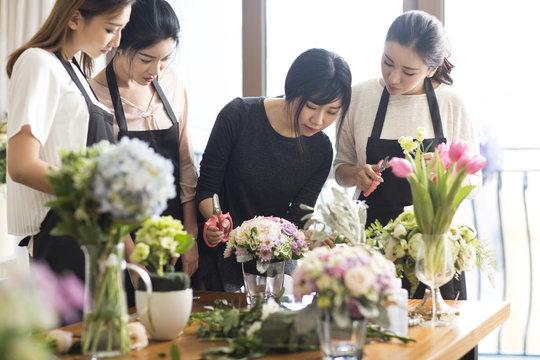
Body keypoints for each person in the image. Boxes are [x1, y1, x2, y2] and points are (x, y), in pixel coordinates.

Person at [334, 10, 481, 301]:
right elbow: (339, 169)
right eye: (387, 62)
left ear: (431, 68)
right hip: (370, 253)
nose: (394, 77)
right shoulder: (359, 97)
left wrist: (446, 171)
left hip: (434, 251)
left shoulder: (452, 105)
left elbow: (474, 182)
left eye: (409, 71)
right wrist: (356, 174)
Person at [196, 48, 352, 291]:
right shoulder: (238, 116)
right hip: (220, 253)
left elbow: (297, 218)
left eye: (332, 112)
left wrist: (305, 237)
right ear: (293, 90)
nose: (319, 120)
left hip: (274, 261)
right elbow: (206, 189)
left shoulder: (321, 150)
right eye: (311, 106)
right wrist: (216, 221)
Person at [6, 0, 134, 282]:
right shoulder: (38, 62)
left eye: (122, 30)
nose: (116, 42)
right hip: (63, 239)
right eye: (111, 29)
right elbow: (21, 164)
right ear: (75, 18)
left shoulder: (74, 71)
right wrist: (95, 195)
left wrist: (131, 253)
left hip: (93, 236)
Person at [90, 0, 199, 277]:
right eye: (146, 59)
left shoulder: (173, 83)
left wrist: (190, 237)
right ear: (118, 43)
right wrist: (132, 257)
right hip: (124, 237)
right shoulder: (95, 97)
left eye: (165, 59)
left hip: (175, 233)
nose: (156, 71)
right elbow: (104, 191)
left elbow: (186, 165)